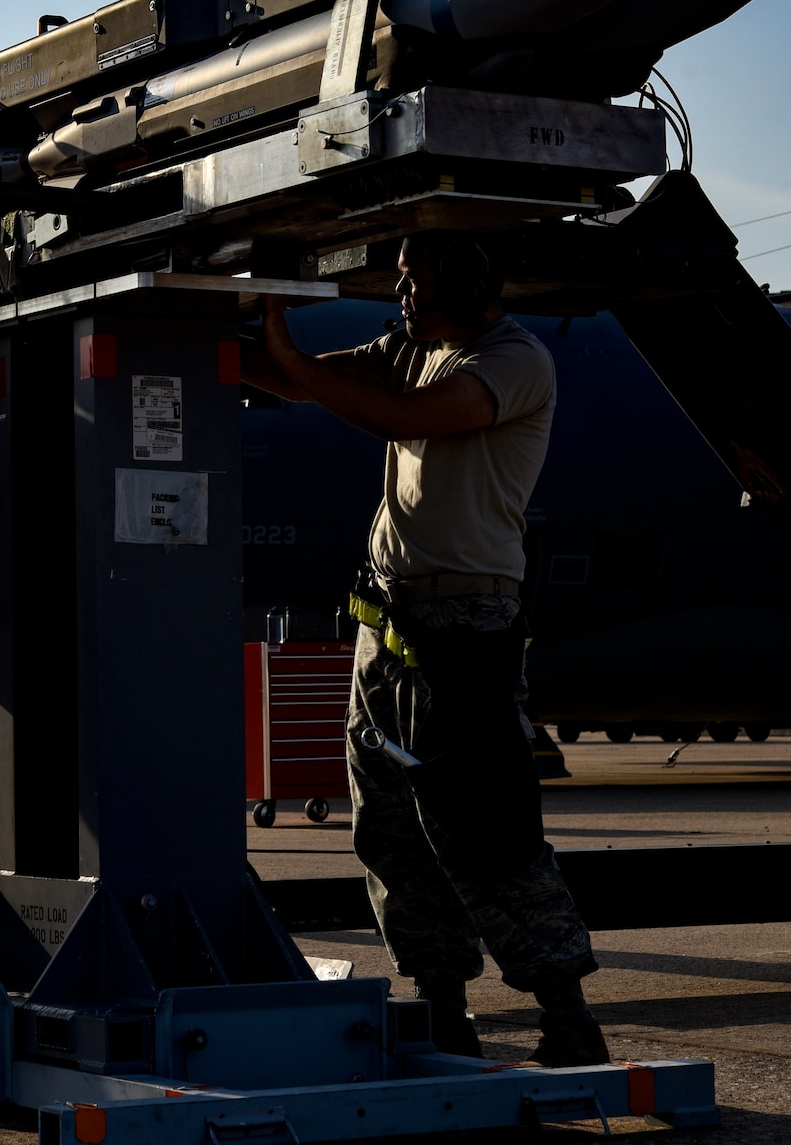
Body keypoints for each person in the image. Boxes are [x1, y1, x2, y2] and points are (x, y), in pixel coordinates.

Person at [241, 232, 606, 1068]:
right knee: (391, 829)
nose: (401, 290)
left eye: (414, 276)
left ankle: (567, 1016)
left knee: (483, 826)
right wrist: (247, 335)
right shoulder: (414, 350)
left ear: (469, 274)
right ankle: (441, 1006)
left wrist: (286, 346)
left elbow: (398, 417)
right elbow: (293, 378)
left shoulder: (513, 363)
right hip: (389, 627)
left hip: (464, 632)